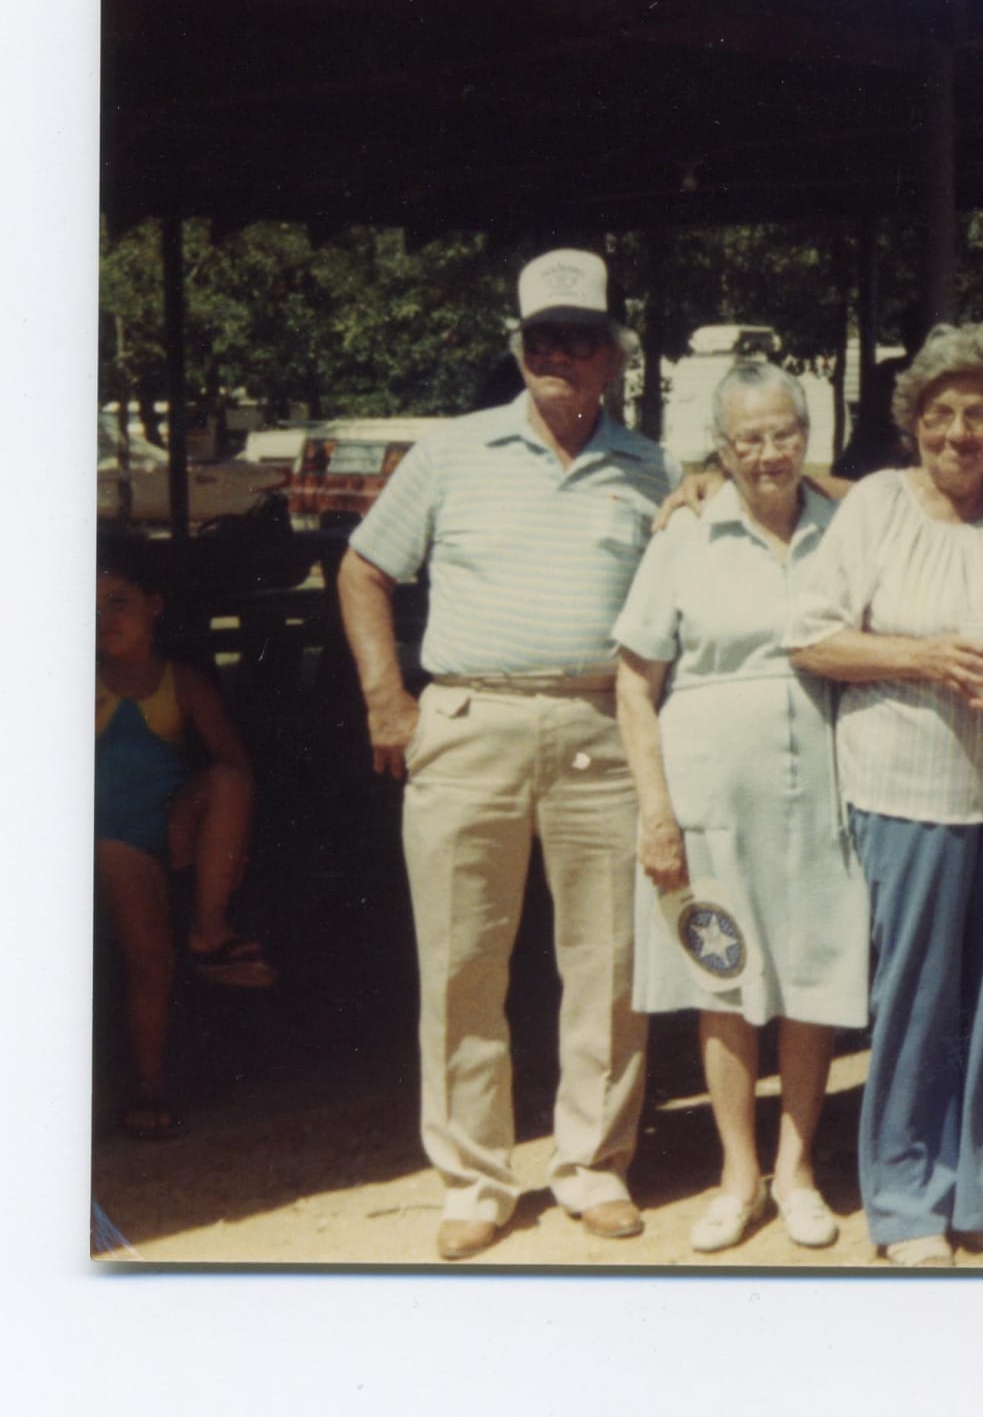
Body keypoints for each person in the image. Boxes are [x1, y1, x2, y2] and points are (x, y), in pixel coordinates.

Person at [337, 248, 682, 1262]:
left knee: (608, 963)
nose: (561, 354)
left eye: (582, 337)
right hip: (469, 722)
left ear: (615, 355)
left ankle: (592, 1164)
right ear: (520, 348)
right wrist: (385, 700)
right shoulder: (451, 453)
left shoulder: (655, 469)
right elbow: (362, 569)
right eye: (543, 337)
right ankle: (475, 1179)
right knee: (460, 964)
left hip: (600, 729)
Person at [786, 323, 983, 1267]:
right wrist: (921, 656)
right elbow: (812, 636)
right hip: (904, 786)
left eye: (978, 415)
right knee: (915, 996)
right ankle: (907, 1202)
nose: (959, 432)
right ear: (914, 421)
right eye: (941, 414)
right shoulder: (875, 506)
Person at [613, 361, 869, 1255]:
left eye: (784, 434)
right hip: (709, 795)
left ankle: (796, 1171)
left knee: (813, 975)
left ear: (808, 437)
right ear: (721, 448)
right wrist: (656, 811)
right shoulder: (686, 535)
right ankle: (737, 1174)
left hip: (824, 789)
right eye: (748, 438)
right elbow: (634, 683)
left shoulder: (844, 527)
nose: (769, 453)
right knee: (720, 980)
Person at [95, 537, 275, 1139]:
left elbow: (236, 770)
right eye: (88, 606)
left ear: (154, 606)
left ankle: (210, 925)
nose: (103, 619)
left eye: (118, 601)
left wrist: (208, 843)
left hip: (172, 823)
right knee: (150, 962)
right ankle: (148, 1084)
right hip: (112, 835)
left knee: (228, 781)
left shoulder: (182, 681)